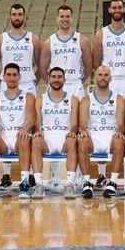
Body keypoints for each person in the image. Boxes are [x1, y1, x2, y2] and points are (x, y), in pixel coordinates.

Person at [91, 0, 125, 187]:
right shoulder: (100, 34)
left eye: (120, 7)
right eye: (114, 7)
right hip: (109, 82)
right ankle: (102, 174)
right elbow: (97, 62)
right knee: (103, 124)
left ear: (124, 9)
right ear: (109, 10)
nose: (117, 9)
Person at [0, 3, 41, 189]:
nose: (17, 17)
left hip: (28, 83)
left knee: (29, 128)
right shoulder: (0, 39)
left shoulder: (33, 38)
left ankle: (30, 174)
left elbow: (41, 64)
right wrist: (3, 80)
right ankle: (6, 174)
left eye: (20, 14)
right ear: (9, 16)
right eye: (14, 14)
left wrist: (32, 80)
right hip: (7, 83)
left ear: (24, 16)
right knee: (5, 125)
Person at [0, 63, 37, 199]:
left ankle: (24, 182)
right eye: (8, 75)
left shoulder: (28, 96)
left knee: (24, 139)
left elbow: (31, 118)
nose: (12, 78)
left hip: (20, 136)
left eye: (15, 75)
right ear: (3, 77)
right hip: (3, 138)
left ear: (19, 77)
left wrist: (24, 129)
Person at [30, 67, 80, 199]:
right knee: (35, 140)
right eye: (53, 77)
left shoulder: (73, 99)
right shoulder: (40, 99)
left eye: (59, 77)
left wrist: (72, 131)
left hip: (64, 139)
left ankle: (69, 184)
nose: (56, 80)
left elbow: (75, 123)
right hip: (47, 139)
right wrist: (37, 131)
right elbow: (37, 122)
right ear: (48, 79)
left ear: (64, 79)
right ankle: (39, 184)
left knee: (72, 140)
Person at [78, 65, 125, 198]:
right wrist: (83, 131)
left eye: (106, 75)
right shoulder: (86, 99)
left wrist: (119, 131)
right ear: (95, 77)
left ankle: (112, 183)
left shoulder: (119, 99)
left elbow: (121, 124)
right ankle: (87, 182)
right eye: (100, 75)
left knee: (119, 140)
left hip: (111, 137)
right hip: (93, 138)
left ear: (110, 78)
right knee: (82, 141)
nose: (103, 78)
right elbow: (82, 125)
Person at [39, 5, 92, 99]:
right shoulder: (49, 42)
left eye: (68, 16)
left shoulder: (82, 40)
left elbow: (88, 67)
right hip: (55, 86)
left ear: (72, 19)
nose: (65, 19)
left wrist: (78, 81)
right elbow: (42, 69)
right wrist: (53, 83)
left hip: (75, 85)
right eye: (62, 16)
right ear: (57, 19)